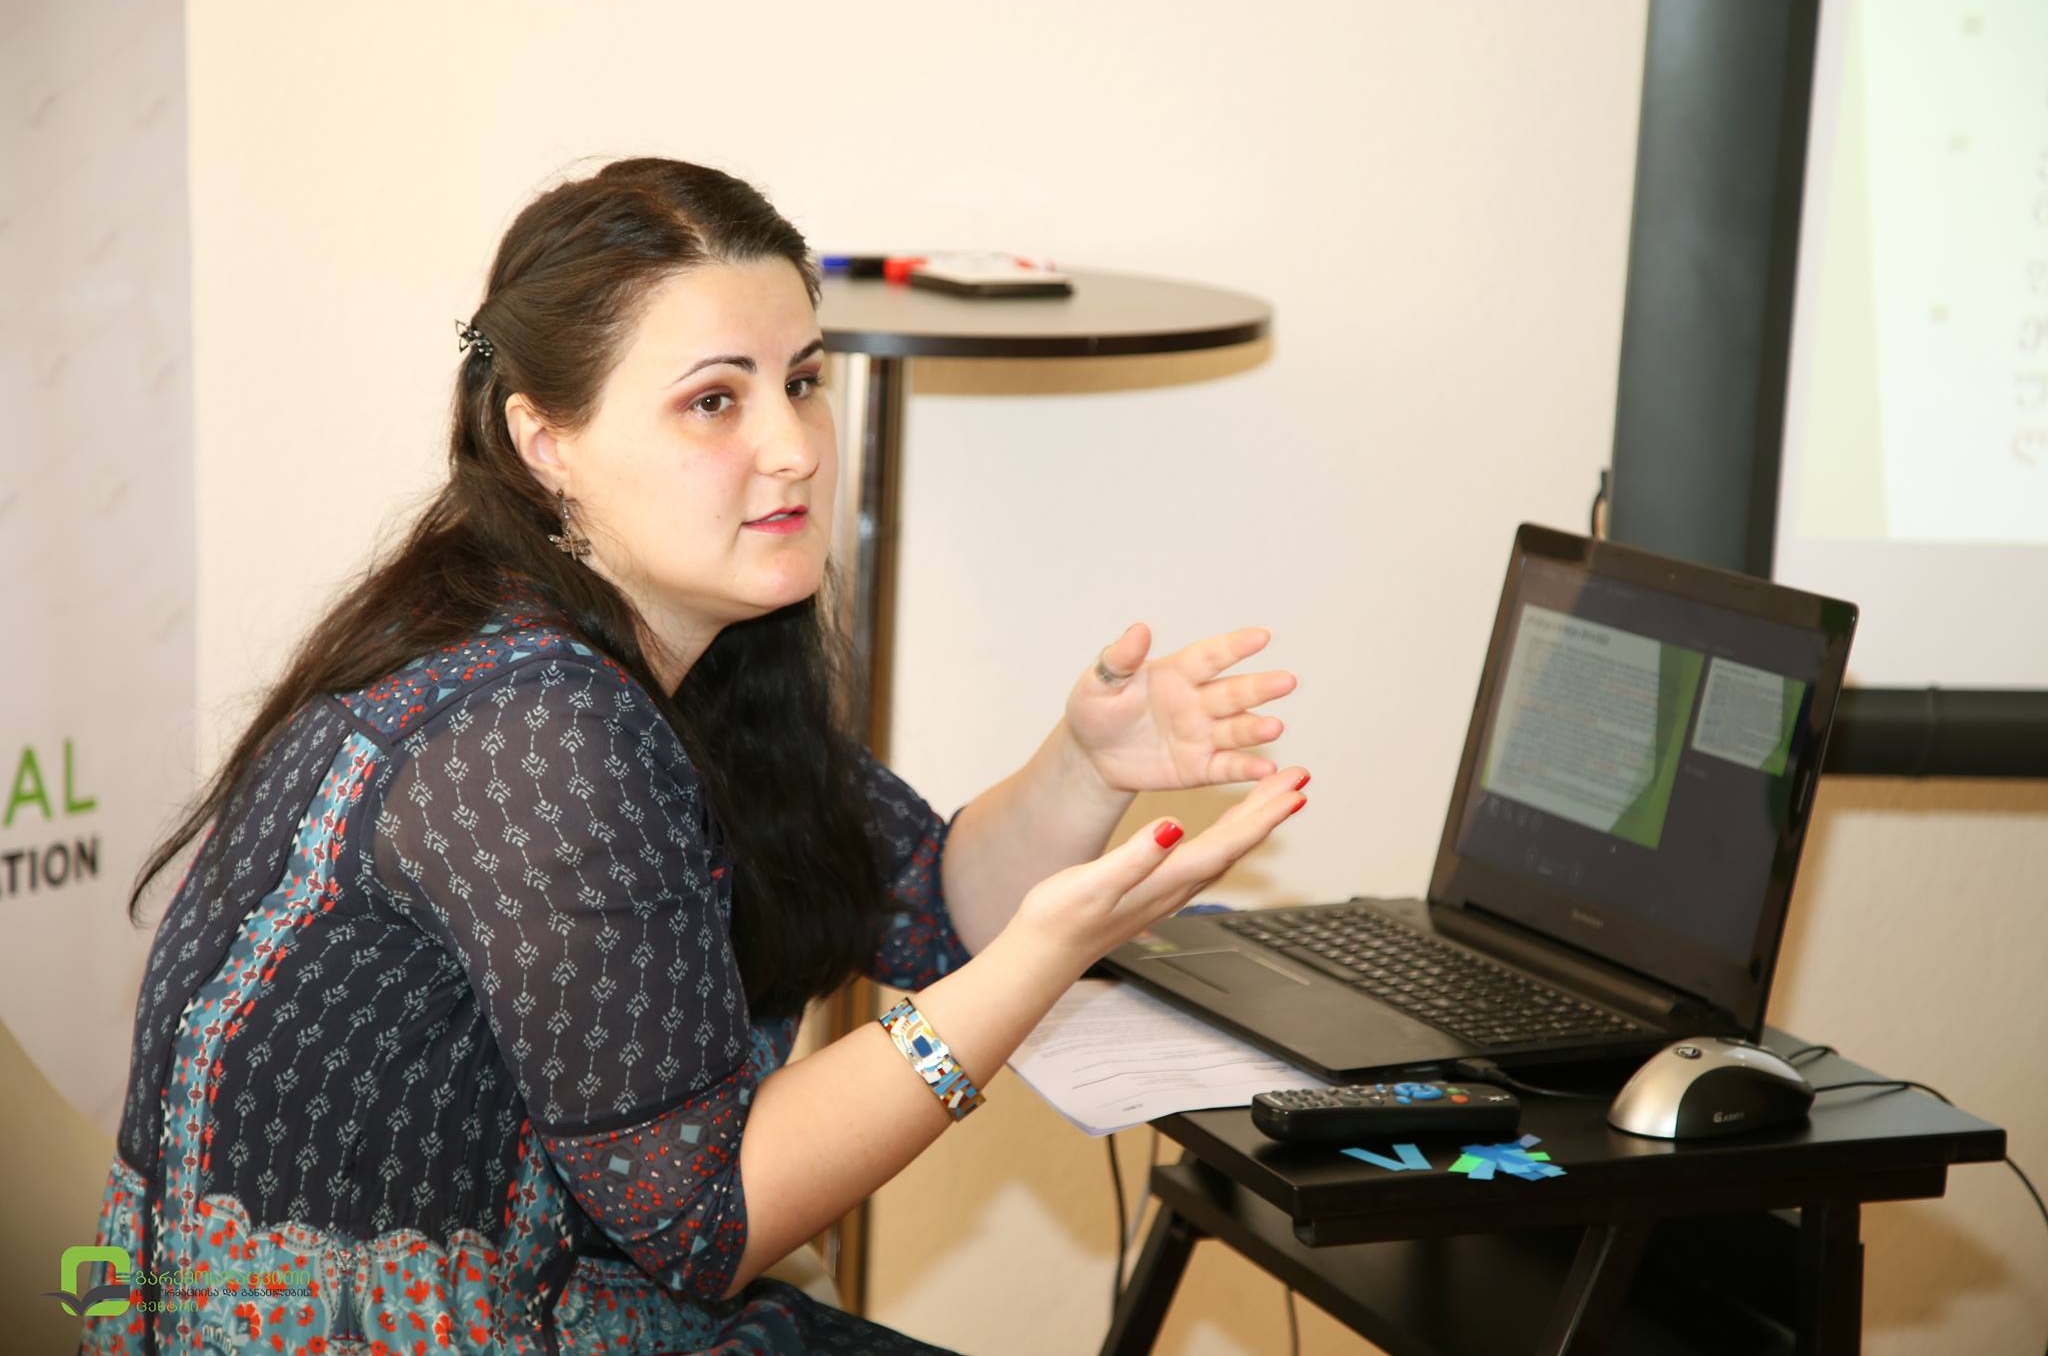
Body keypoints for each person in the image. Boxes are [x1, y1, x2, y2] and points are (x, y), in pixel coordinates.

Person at [83, 157, 1305, 1356]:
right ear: (542, 439)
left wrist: (1084, 767)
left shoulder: (686, 649)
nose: (796, 446)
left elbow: (930, 907)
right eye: (715, 401)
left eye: (803, 382)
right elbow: (707, 1223)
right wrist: (1038, 962)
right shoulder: (535, 732)